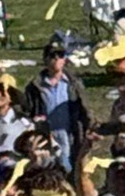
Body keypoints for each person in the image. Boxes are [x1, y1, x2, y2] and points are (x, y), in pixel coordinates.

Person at [25, 41, 89, 176]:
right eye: (52, 55)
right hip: (46, 136)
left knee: (72, 170)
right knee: (49, 172)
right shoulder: (35, 87)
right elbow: (28, 110)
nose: (56, 58)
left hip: (69, 134)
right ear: (45, 60)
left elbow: (85, 109)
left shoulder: (73, 84)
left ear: (64, 59)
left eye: (60, 55)